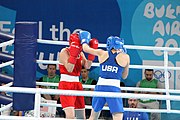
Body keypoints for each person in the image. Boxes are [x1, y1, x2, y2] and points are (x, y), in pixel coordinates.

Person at [79, 31, 130, 120]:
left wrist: (84, 40)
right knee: (118, 117)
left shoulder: (102, 53)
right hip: (113, 88)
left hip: (100, 87)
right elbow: (124, 76)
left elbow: (85, 49)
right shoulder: (125, 57)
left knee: (93, 117)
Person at [58, 32, 98, 119]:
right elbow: (69, 69)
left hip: (77, 84)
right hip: (66, 84)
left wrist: (92, 54)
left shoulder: (81, 53)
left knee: (81, 117)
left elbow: (87, 66)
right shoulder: (64, 52)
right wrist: (73, 55)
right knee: (70, 116)